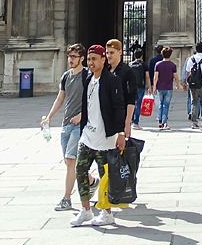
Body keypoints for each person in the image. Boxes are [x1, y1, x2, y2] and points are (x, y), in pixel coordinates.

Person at [71, 45, 126, 228]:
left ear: (103, 59)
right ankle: (86, 210)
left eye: (95, 59)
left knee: (104, 178)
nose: (91, 63)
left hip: (105, 138)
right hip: (87, 135)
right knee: (80, 170)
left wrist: (121, 134)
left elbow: (120, 108)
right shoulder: (88, 79)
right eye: (89, 59)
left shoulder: (112, 81)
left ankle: (107, 213)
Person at [40, 44, 96, 212]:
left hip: (80, 126)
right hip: (66, 124)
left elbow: (93, 99)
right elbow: (60, 98)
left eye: (74, 56)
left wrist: (82, 115)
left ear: (82, 58)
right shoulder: (66, 76)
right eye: (69, 56)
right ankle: (92, 181)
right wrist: (49, 117)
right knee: (70, 161)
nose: (71, 59)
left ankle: (67, 199)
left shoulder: (87, 76)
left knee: (71, 160)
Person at [105, 39, 138, 143]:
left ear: (120, 52)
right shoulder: (106, 71)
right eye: (107, 53)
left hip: (120, 118)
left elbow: (131, 98)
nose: (109, 56)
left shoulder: (128, 71)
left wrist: (127, 123)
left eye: (111, 52)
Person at [184, 43, 202, 128]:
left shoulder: (190, 59)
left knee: (194, 102)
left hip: (193, 84)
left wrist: (187, 82)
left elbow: (188, 72)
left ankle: (194, 122)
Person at [153, 46, 180, 129]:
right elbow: (176, 76)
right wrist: (178, 84)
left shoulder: (158, 64)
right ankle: (164, 122)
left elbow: (156, 77)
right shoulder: (173, 65)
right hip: (168, 87)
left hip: (160, 87)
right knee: (166, 105)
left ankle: (160, 121)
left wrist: (154, 87)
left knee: (160, 104)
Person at [129, 47, 151, 127]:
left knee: (131, 103)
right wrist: (149, 87)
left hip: (131, 86)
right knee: (138, 104)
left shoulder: (130, 64)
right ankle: (136, 122)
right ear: (142, 55)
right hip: (140, 86)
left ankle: (130, 120)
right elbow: (147, 76)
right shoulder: (144, 64)